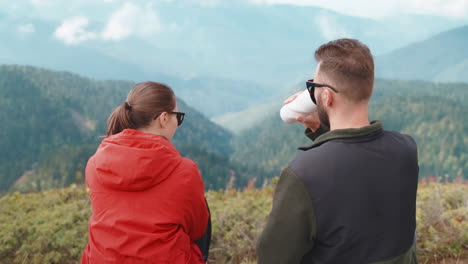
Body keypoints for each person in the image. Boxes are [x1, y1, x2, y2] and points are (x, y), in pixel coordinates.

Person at [256, 39, 419, 264]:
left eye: (313, 86)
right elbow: (358, 164)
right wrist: (319, 128)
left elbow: (273, 256)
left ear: (326, 97)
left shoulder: (303, 174)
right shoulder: (406, 149)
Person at [80, 81, 211, 264]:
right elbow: (197, 229)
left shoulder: (95, 164)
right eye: (178, 117)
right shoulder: (185, 171)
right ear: (164, 118)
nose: (177, 123)